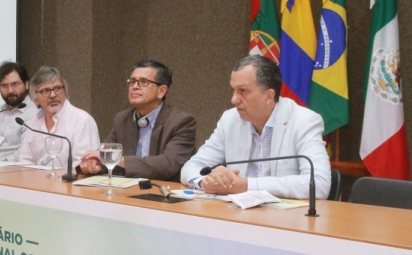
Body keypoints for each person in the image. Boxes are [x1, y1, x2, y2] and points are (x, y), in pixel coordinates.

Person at [181, 55, 331, 199]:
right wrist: (205, 182)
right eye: (233, 90)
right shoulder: (230, 119)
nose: (234, 99)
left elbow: (318, 183)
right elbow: (191, 167)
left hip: (285, 219)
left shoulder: (303, 121)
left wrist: (246, 185)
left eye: (243, 91)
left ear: (269, 96)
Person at [78, 59, 196, 181]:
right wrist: (95, 164)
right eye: (132, 82)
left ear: (161, 91)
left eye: (143, 82)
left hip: (164, 192)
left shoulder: (182, 121)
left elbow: (168, 165)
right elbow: (108, 154)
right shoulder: (122, 119)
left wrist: (116, 158)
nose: (134, 87)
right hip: (127, 190)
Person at [18, 66, 100, 167]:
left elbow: (83, 166)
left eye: (57, 88)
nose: (53, 95)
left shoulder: (81, 121)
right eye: (45, 90)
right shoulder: (32, 126)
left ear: (65, 92)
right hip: (37, 182)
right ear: (35, 99)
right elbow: (25, 164)